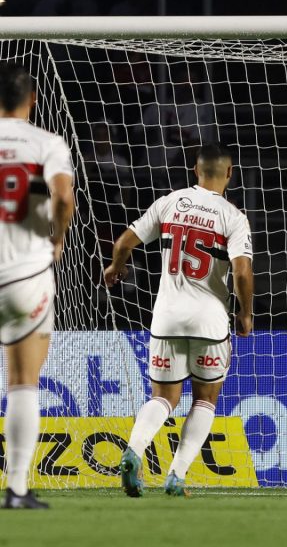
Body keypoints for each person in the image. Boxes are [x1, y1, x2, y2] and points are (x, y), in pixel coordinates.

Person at [103, 143, 254, 497]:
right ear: (229, 173)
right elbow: (242, 271)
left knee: (163, 398)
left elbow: (125, 240)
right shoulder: (232, 216)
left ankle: (133, 452)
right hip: (210, 321)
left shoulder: (171, 202)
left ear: (195, 169)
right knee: (205, 400)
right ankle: (177, 476)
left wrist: (116, 266)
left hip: (167, 317)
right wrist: (245, 312)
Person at [0, 64, 75, 509]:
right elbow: (63, 197)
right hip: (25, 274)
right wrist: (58, 238)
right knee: (23, 381)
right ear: (32, 100)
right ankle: (17, 490)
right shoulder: (47, 143)